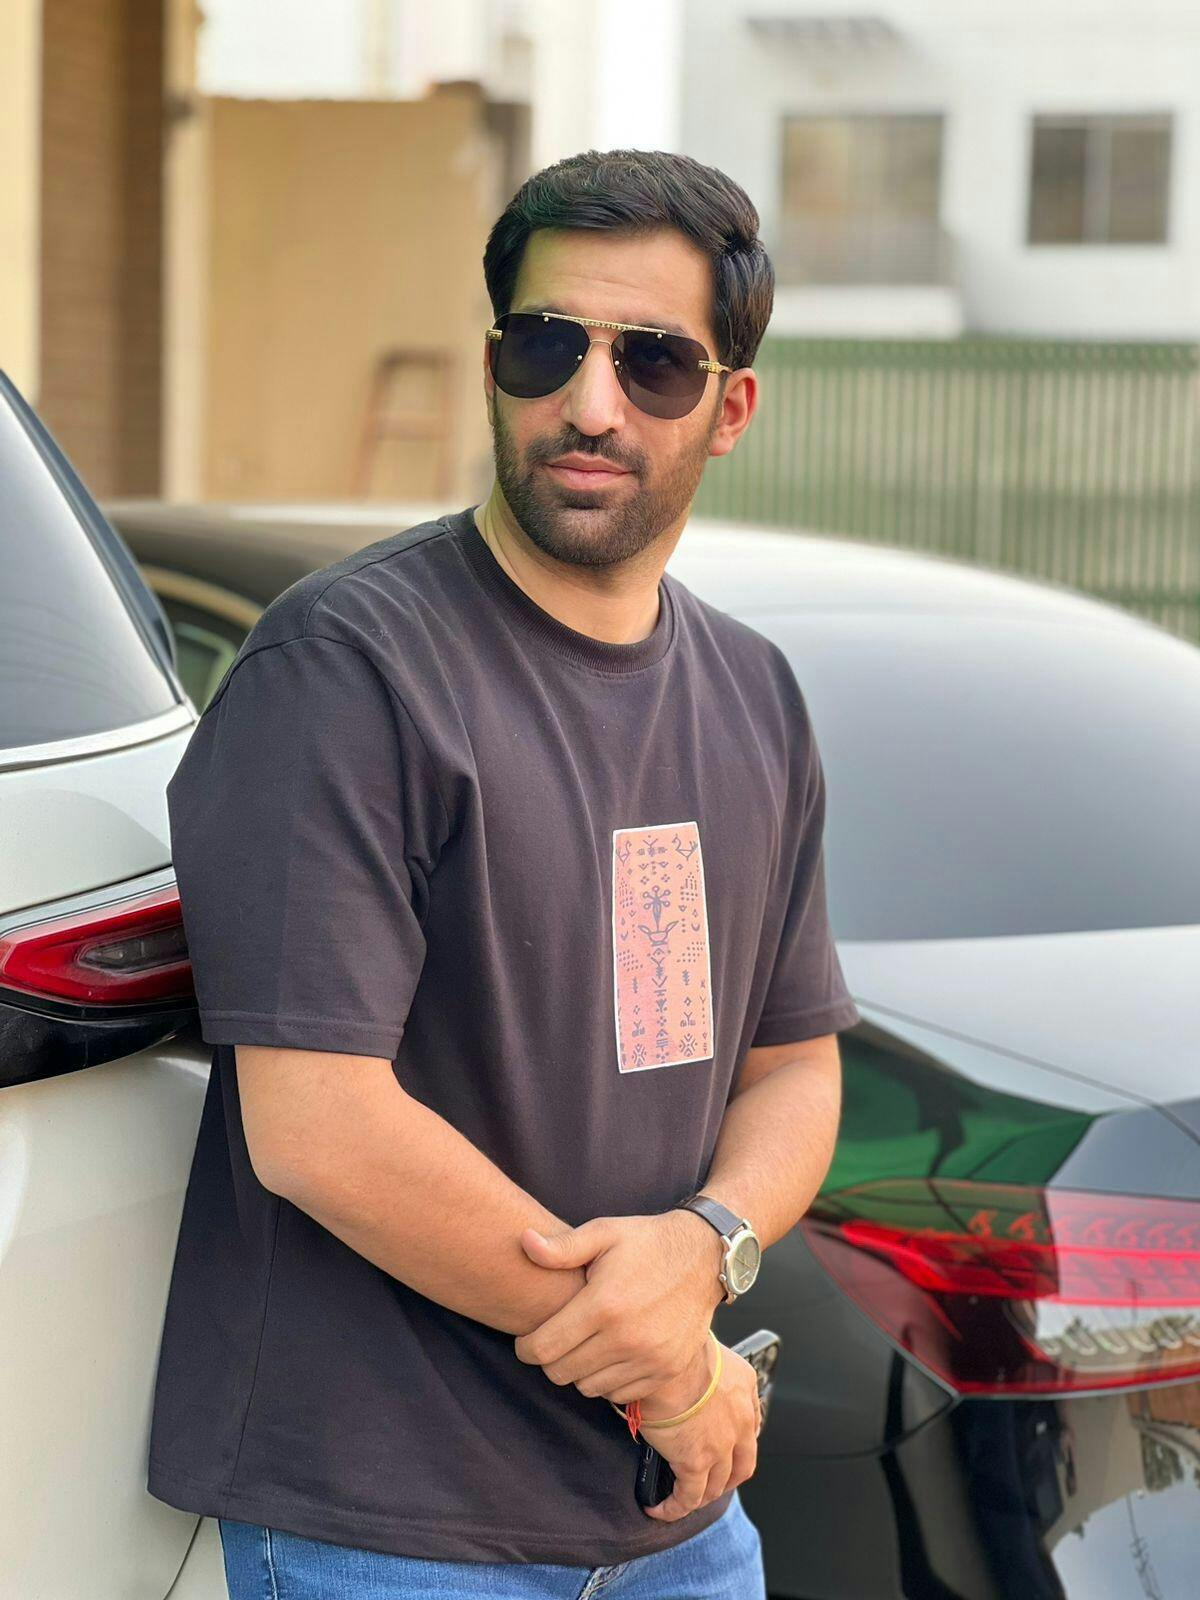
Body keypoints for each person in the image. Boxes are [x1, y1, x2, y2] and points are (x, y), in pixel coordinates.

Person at [146, 147, 861, 1599]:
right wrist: (670, 1369)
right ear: (492, 364)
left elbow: (794, 1065)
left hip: (677, 1528)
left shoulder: (753, 692)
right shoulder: (345, 669)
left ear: (729, 408)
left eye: (653, 362)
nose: (591, 403)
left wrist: (711, 1241)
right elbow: (320, 1129)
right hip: (391, 1527)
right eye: (548, 346)